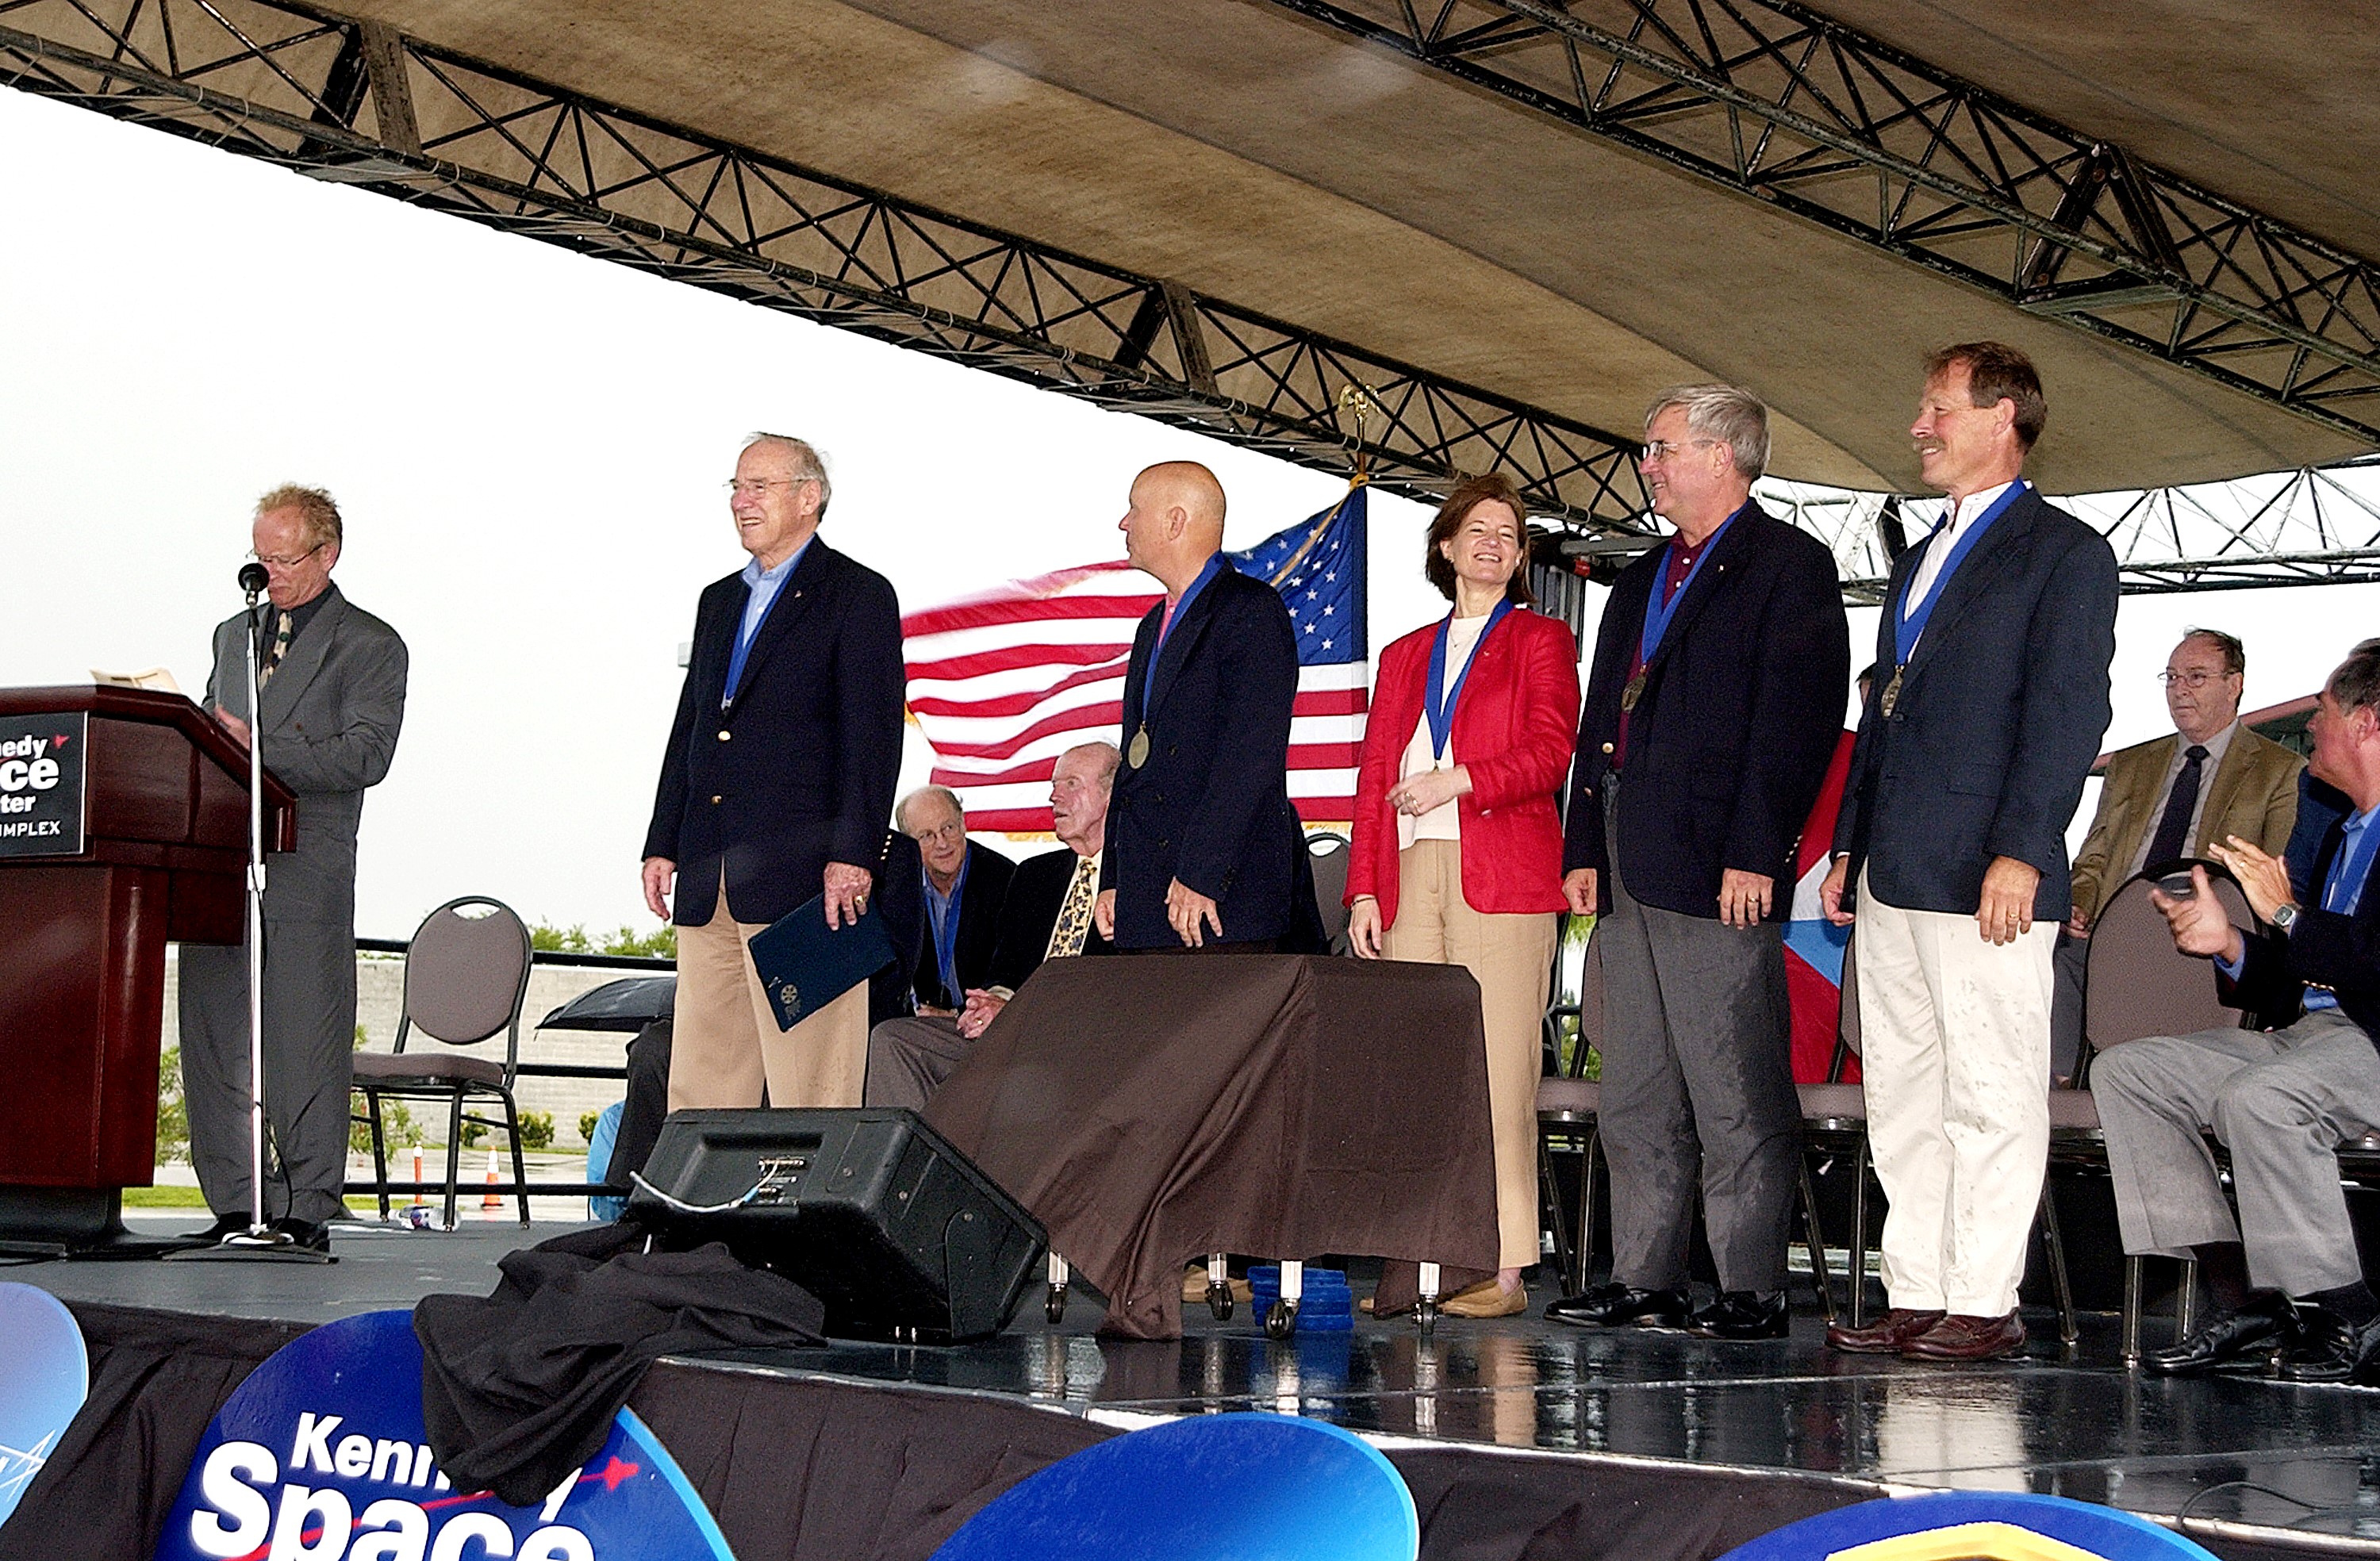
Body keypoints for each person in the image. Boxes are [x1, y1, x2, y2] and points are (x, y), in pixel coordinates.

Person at [1821, 343, 2118, 1362]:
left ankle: (1985, 1302)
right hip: (1895, 867)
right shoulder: (1918, 557)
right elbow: (1885, 712)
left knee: (1990, 1090)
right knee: (1904, 1090)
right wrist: (1850, 844)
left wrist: (2024, 851)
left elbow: (2069, 714)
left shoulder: (2065, 554)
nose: (1920, 427)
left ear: (2003, 418)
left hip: (1990, 871)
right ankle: (1920, 1289)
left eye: (1938, 408)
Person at [1542, 387, 1850, 1340]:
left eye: (1661, 448)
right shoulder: (1639, 577)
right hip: (1626, 851)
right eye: (1649, 450)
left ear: (1723, 456)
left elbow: (1796, 725)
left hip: (1719, 861)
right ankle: (1646, 1276)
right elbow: (1602, 716)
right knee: (1634, 1082)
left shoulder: (1789, 564)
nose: (1648, 465)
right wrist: (1582, 845)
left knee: (1731, 1081)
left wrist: (1757, 853)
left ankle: (1751, 1286)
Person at [2097, 640, 2380, 1383]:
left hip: (2373, 1042)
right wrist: (2228, 944)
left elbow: (2368, 959)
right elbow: (2296, 975)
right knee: (2128, 1072)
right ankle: (2248, 1299)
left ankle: (2349, 1312)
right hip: (2312, 1035)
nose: (2311, 726)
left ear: (2367, 723)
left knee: (2261, 1098)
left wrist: (2286, 915)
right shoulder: (2340, 829)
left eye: (2323, 711)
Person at [1345, 473, 1580, 1320]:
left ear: (1519, 560)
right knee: (1419, 1075)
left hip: (1503, 877)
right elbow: (1374, 776)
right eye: (1477, 529)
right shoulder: (1404, 654)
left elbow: (1552, 752)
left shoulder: (1542, 639)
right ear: (1445, 546)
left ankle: (1505, 1267)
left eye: (1508, 535)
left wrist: (1460, 780)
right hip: (1409, 874)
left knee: (1500, 1071)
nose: (1493, 543)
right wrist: (1363, 889)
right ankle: (1416, 1265)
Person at [641, 434, 904, 1110]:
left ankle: (808, 1188)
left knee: (812, 1081)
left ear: (809, 497)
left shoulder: (858, 595)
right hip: (710, 877)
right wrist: (663, 841)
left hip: (809, 883)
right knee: (702, 1079)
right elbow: (691, 729)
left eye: (759, 486)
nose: (741, 501)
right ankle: (701, 1185)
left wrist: (854, 856)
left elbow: (872, 739)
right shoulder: (718, 601)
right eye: (736, 487)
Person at [178, 485, 409, 1253]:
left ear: (327, 554)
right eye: (259, 558)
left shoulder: (370, 644)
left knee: (305, 1034)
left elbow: (366, 755)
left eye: (282, 559)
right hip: (219, 858)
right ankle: (236, 1200)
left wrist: (261, 750)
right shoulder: (231, 637)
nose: (267, 574)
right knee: (214, 1031)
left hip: (307, 859)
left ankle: (305, 1204)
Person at [2056, 631, 2303, 1077]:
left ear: (2234, 684)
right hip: (2117, 921)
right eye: (2171, 678)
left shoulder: (2280, 770)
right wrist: (2081, 902)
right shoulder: (2131, 765)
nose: (2179, 689)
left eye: (2196, 677)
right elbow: (2094, 860)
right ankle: (2062, 1083)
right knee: (2051, 950)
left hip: (2208, 924)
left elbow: (2278, 875)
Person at [1092, 462, 1300, 952]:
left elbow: (1249, 758)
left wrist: (1202, 874)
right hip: (1149, 900)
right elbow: (1133, 763)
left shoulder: (1251, 611)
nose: (1124, 523)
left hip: (1217, 903)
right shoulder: (1152, 625)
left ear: (1175, 521)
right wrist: (1114, 878)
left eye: (1134, 510)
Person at [866, 743, 1118, 1109]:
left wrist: (1017, 1013)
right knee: (893, 1039)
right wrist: (992, 1002)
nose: (1054, 796)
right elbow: (1005, 968)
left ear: (1113, 794)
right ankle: (909, 1149)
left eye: (1071, 784)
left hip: (1085, 1039)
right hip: (1010, 1032)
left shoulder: (1137, 882)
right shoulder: (1034, 875)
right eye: (1054, 784)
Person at [893, 785, 1015, 1015]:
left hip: (988, 1018)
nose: (942, 843)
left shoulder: (1005, 881)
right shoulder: (898, 889)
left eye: (948, 828)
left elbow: (1011, 975)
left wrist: (956, 1014)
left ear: (963, 824)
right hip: (925, 1018)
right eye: (926, 836)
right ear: (909, 844)